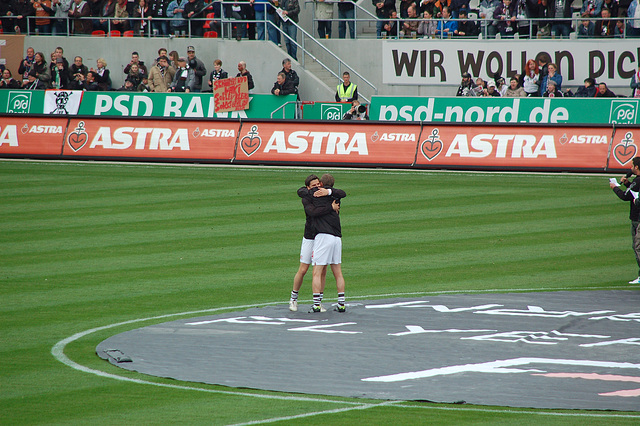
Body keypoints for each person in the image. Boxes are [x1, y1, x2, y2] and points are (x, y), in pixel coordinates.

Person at [303, 173, 347, 313]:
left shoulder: (314, 193)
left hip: (323, 236)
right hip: (337, 237)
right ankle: (341, 304)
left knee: (317, 272)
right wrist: (330, 192)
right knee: (338, 272)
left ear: (321, 183)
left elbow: (300, 192)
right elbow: (343, 192)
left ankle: (316, 304)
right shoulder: (336, 196)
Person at [289, 174, 327, 312]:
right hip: (310, 236)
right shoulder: (306, 198)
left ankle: (318, 302)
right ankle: (293, 299)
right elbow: (312, 212)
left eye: (318, 184)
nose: (317, 187)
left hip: (323, 237)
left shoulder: (326, 194)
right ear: (308, 187)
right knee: (303, 269)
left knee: (322, 270)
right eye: (314, 186)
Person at [610, 157, 640, 284]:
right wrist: (628, 184)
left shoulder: (638, 181)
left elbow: (625, 196)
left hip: (638, 219)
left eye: (632, 165)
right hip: (636, 218)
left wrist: (614, 187)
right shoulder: (636, 181)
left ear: (637, 167)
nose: (630, 168)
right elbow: (632, 193)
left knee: (637, 247)